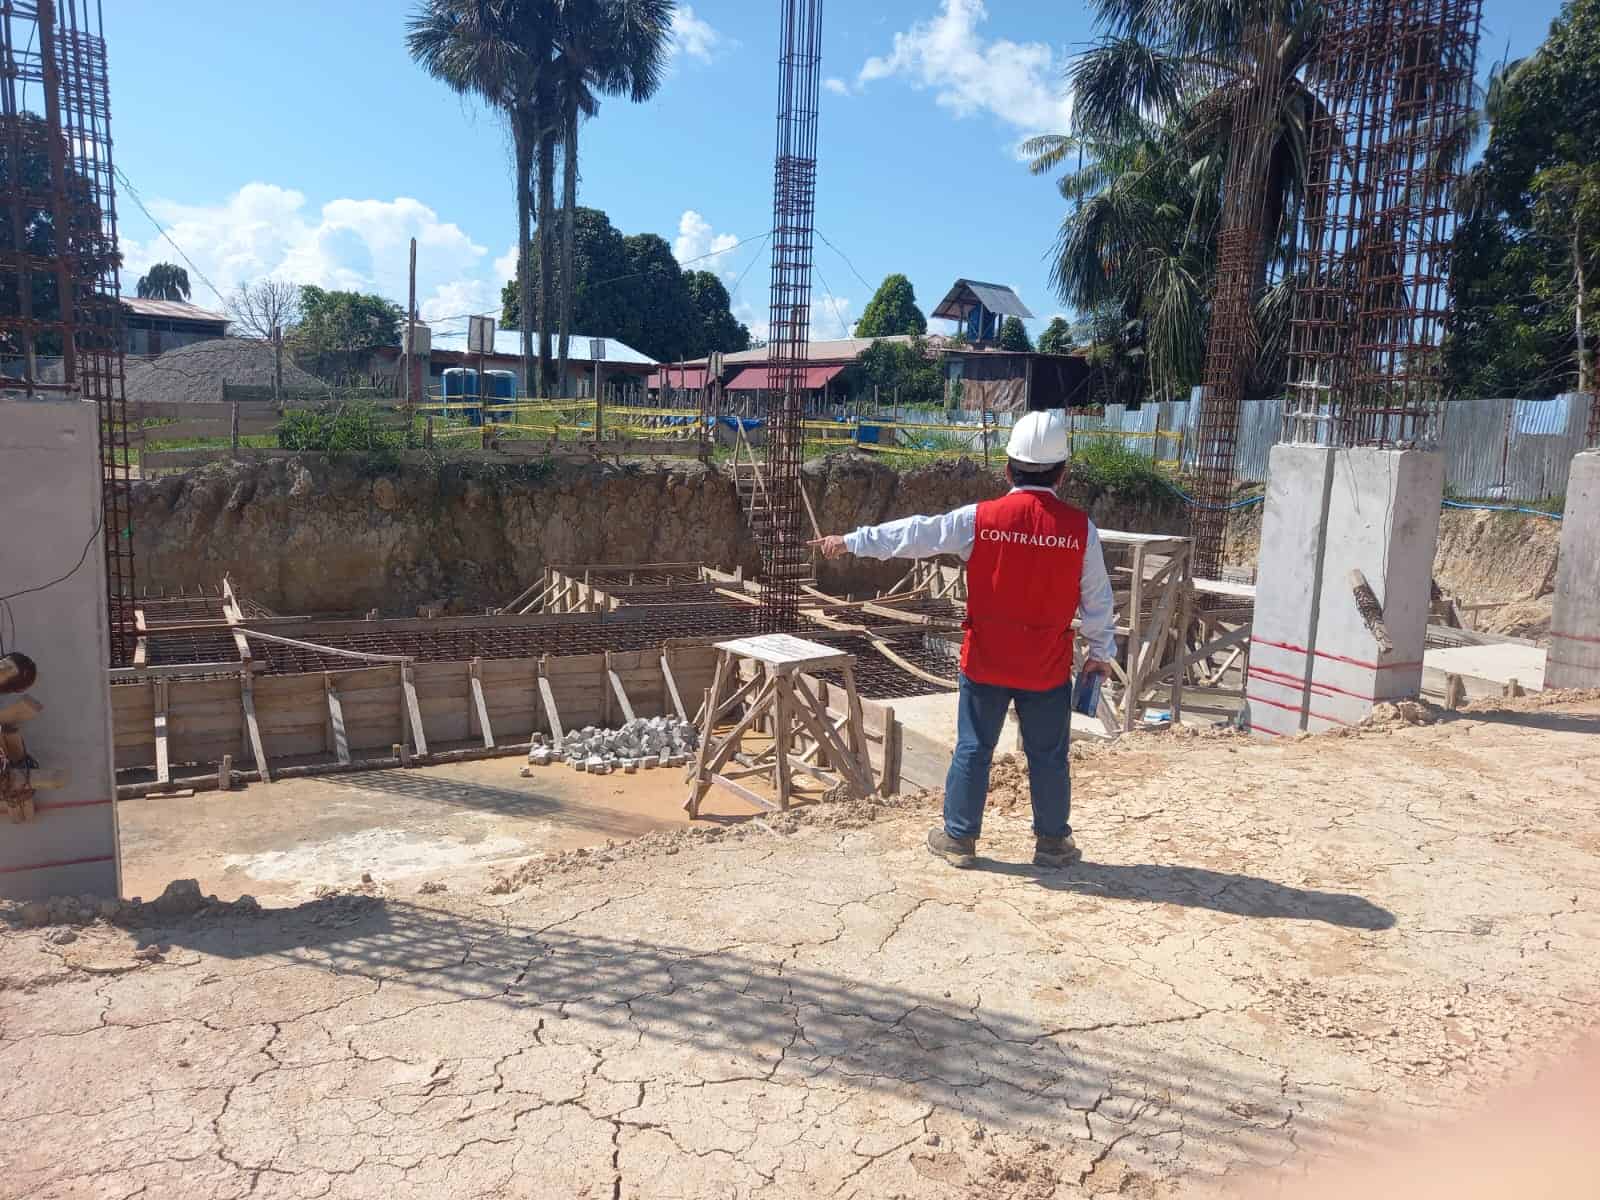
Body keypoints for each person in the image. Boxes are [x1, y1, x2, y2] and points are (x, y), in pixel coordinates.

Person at [809, 410, 1117, 869]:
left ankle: (959, 839)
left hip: (986, 660)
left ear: (1008, 469)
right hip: (1046, 665)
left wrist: (852, 540)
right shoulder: (1080, 530)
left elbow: (917, 533)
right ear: (1063, 473)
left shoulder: (981, 519)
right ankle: (1052, 843)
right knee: (1049, 754)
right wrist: (1100, 654)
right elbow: (1098, 599)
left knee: (975, 747)